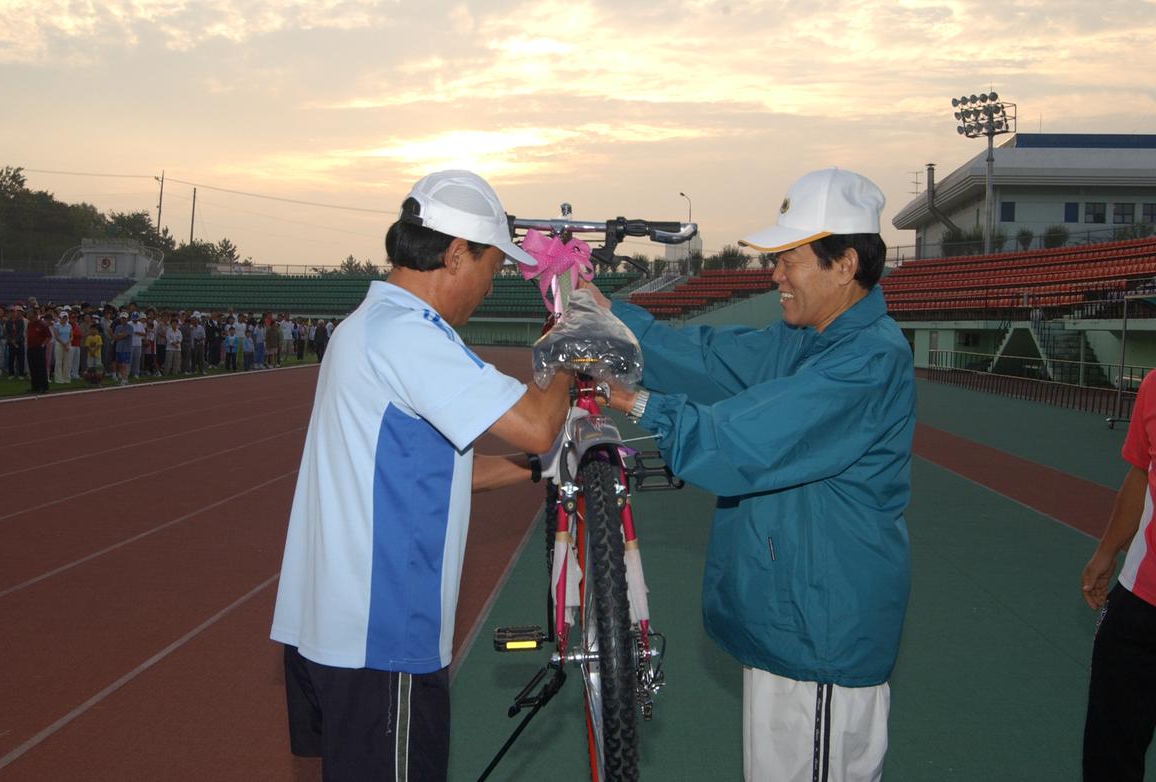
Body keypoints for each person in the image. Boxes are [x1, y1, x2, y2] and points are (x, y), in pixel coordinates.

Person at [587, 168, 915, 782]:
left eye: (789, 260)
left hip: (821, 631)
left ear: (844, 265)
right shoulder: (806, 339)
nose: (775, 275)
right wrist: (614, 316)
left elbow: (746, 441)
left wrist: (636, 403)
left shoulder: (867, 359)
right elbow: (711, 358)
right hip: (791, 613)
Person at [270, 170, 574, 780]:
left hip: (332, 626)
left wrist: (541, 469)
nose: (492, 286)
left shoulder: (368, 326)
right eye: (493, 266)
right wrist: (571, 336)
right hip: (380, 637)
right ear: (457, 253)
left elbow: (435, 475)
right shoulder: (410, 335)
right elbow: (539, 424)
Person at [1080, 368, 1156, 782]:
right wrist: (1106, 551)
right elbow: (1142, 473)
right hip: (1140, 604)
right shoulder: (1154, 385)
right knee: (1109, 757)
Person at [25, 308, 51, 394]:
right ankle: (35, 386)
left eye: (30, 315)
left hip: (39, 348)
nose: (29, 317)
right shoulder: (29, 324)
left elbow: (48, 336)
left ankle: (43, 387)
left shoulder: (42, 324)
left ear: (35, 315)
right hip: (30, 348)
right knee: (32, 368)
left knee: (41, 368)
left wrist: (43, 345)